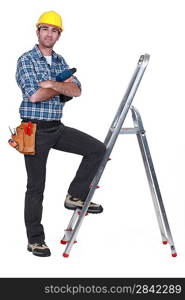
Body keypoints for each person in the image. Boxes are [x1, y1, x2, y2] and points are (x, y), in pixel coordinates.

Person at [16, 11, 106, 257]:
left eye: (54, 30)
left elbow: (77, 90)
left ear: (59, 35)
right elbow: (33, 95)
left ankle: (75, 196)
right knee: (36, 186)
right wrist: (60, 87)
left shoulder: (60, 61)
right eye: (45, 29)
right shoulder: (26, 60)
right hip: (32, 129)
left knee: (97, 149)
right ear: (37, 31)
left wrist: (50, 84)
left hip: (56, 126)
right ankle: (35, 240)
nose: (49, 34)